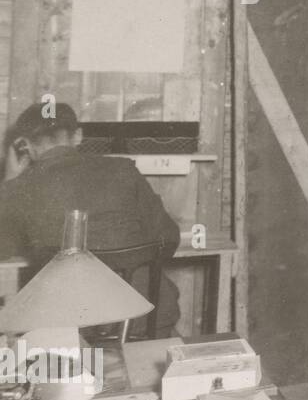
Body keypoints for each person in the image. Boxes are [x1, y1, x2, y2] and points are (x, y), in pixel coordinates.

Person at [0, 101, 182, 332]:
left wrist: (9, 181)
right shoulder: (123, 169)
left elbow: (2, 249)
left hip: (73, 330)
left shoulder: (20, 188)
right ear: (77, 136)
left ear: (24, 145)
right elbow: (168, 238)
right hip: (145, 319)